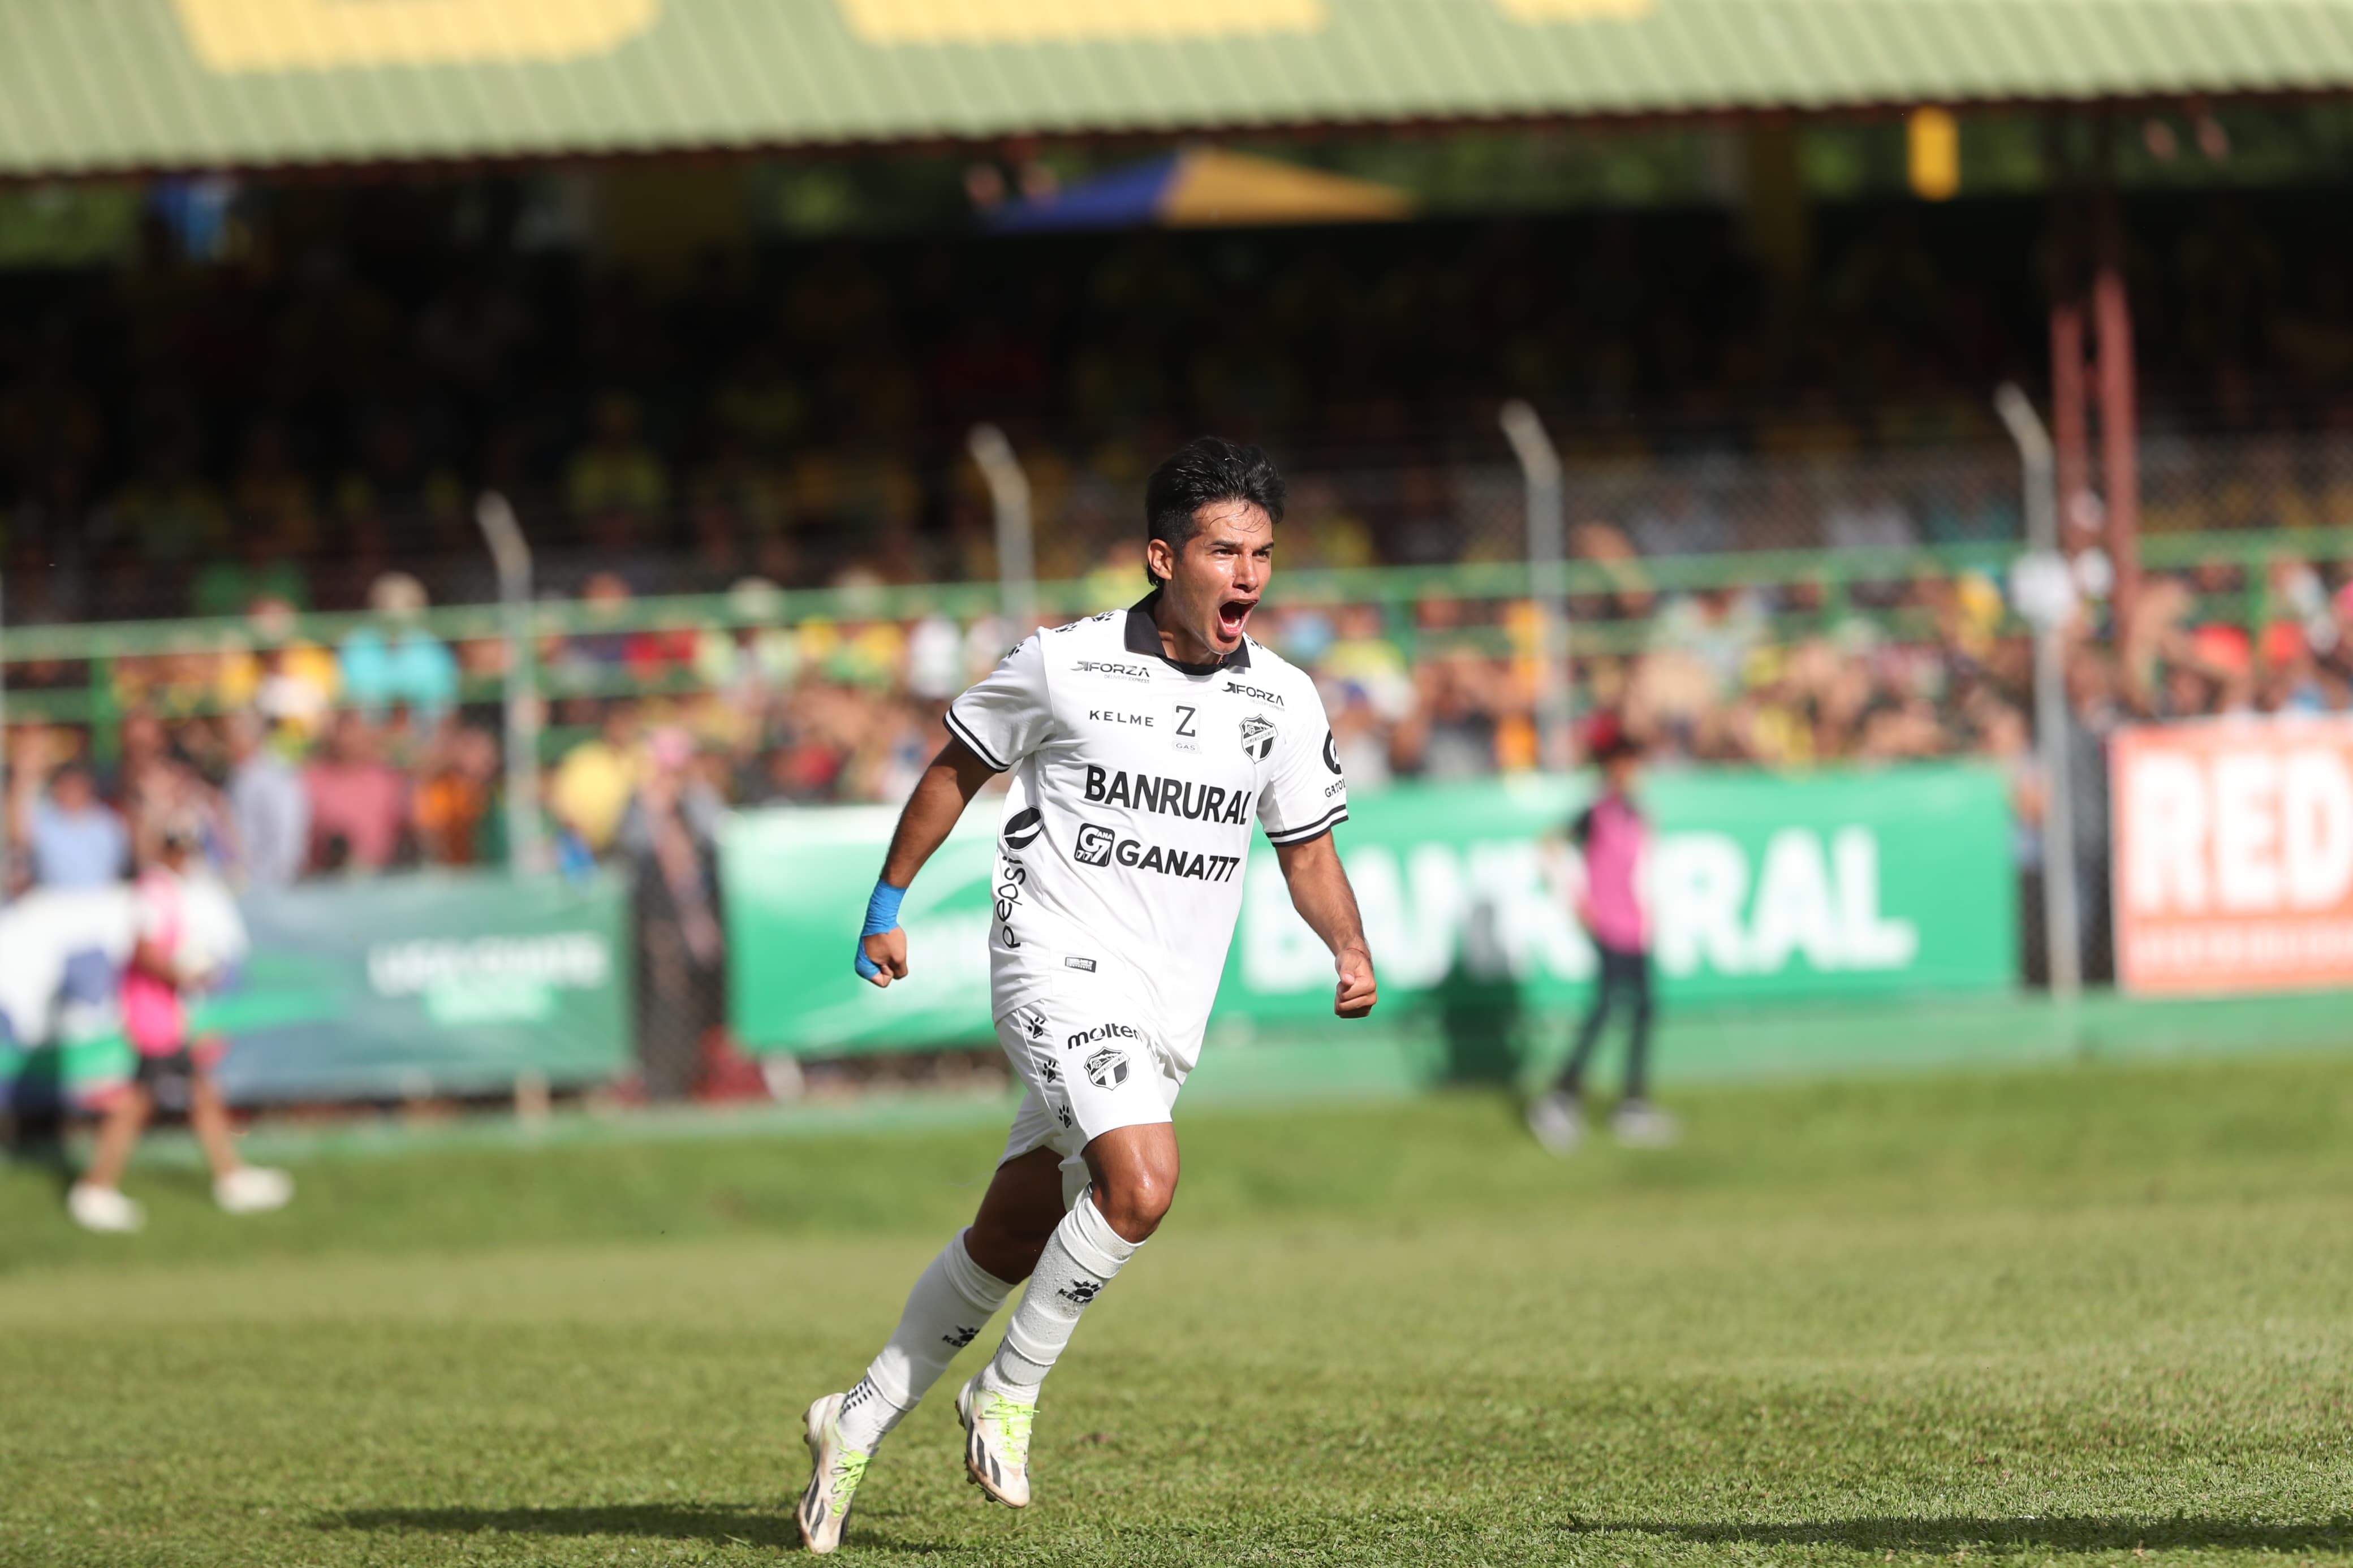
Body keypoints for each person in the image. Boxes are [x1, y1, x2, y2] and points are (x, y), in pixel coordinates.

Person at [794, 438, 1380, 1553]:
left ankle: (854, 1418)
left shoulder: (1284, 699)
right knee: (1143, 1183)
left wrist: (1348, 948)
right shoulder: (1065, 664)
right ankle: (1006, 1391)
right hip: (1052, 960)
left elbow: (1306, 849)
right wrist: (886, 901)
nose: (1248, 574)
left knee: (1014, 1232)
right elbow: (956, 770)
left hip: (1164, 1006)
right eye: (1224, 551)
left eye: (1262, 553)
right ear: (1164, 558)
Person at [66, 815, 293, 1233]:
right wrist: (184, 975)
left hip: (164, 1015)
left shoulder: (168, 890)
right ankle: (96, 1187)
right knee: (139, 1101)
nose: (187, 858)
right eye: (181, 850)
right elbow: (144, 951)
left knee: (201, 1093)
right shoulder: (152, 892)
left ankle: (230, 1176)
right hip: (151, 1018)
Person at [1526, 725, 1679, 1154]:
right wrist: (1576, 901)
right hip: (1609, 926)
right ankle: (1561, 1096)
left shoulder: (1638, 814)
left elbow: (1644, 869)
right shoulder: (1596, 813)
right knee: (1607, 1007)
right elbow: (1549, 846)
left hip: (1636, 927)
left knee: (1644, 1010)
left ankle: (1633, 1103)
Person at [9, 733, 128, 890]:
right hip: (54, 900)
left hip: (102, 899)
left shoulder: (109, 821)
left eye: (76, 785)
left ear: (88, 787)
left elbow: (120, 865)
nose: (71, 791)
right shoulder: (44, 818)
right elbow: (19, 836)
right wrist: (25, 774)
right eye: (65, 785)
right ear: (56, 788)